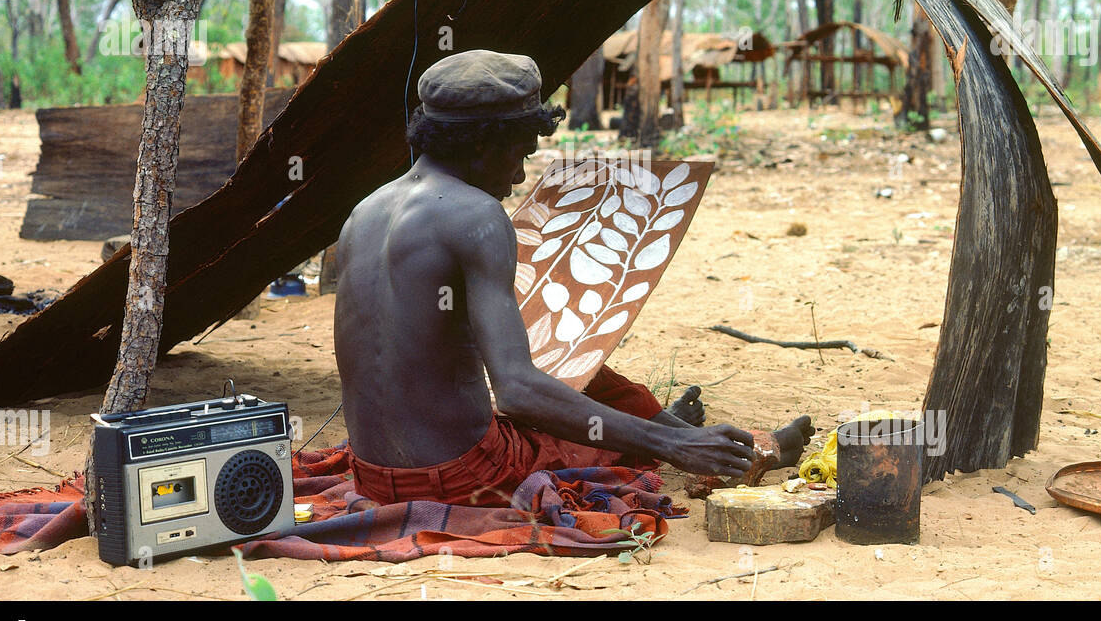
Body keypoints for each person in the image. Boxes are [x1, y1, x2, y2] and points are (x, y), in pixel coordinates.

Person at [333, 49, 813, 508]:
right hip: (465, 477)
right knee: (605, 447)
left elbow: (417, 347)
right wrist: (668, 444)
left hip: (371, 475)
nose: (520, 176)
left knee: (589, 375)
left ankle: (668, 426)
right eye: (518, 154)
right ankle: (731, 446)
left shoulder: (364, 212)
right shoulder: (476, 215)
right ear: (481, 142)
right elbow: (517, 393)